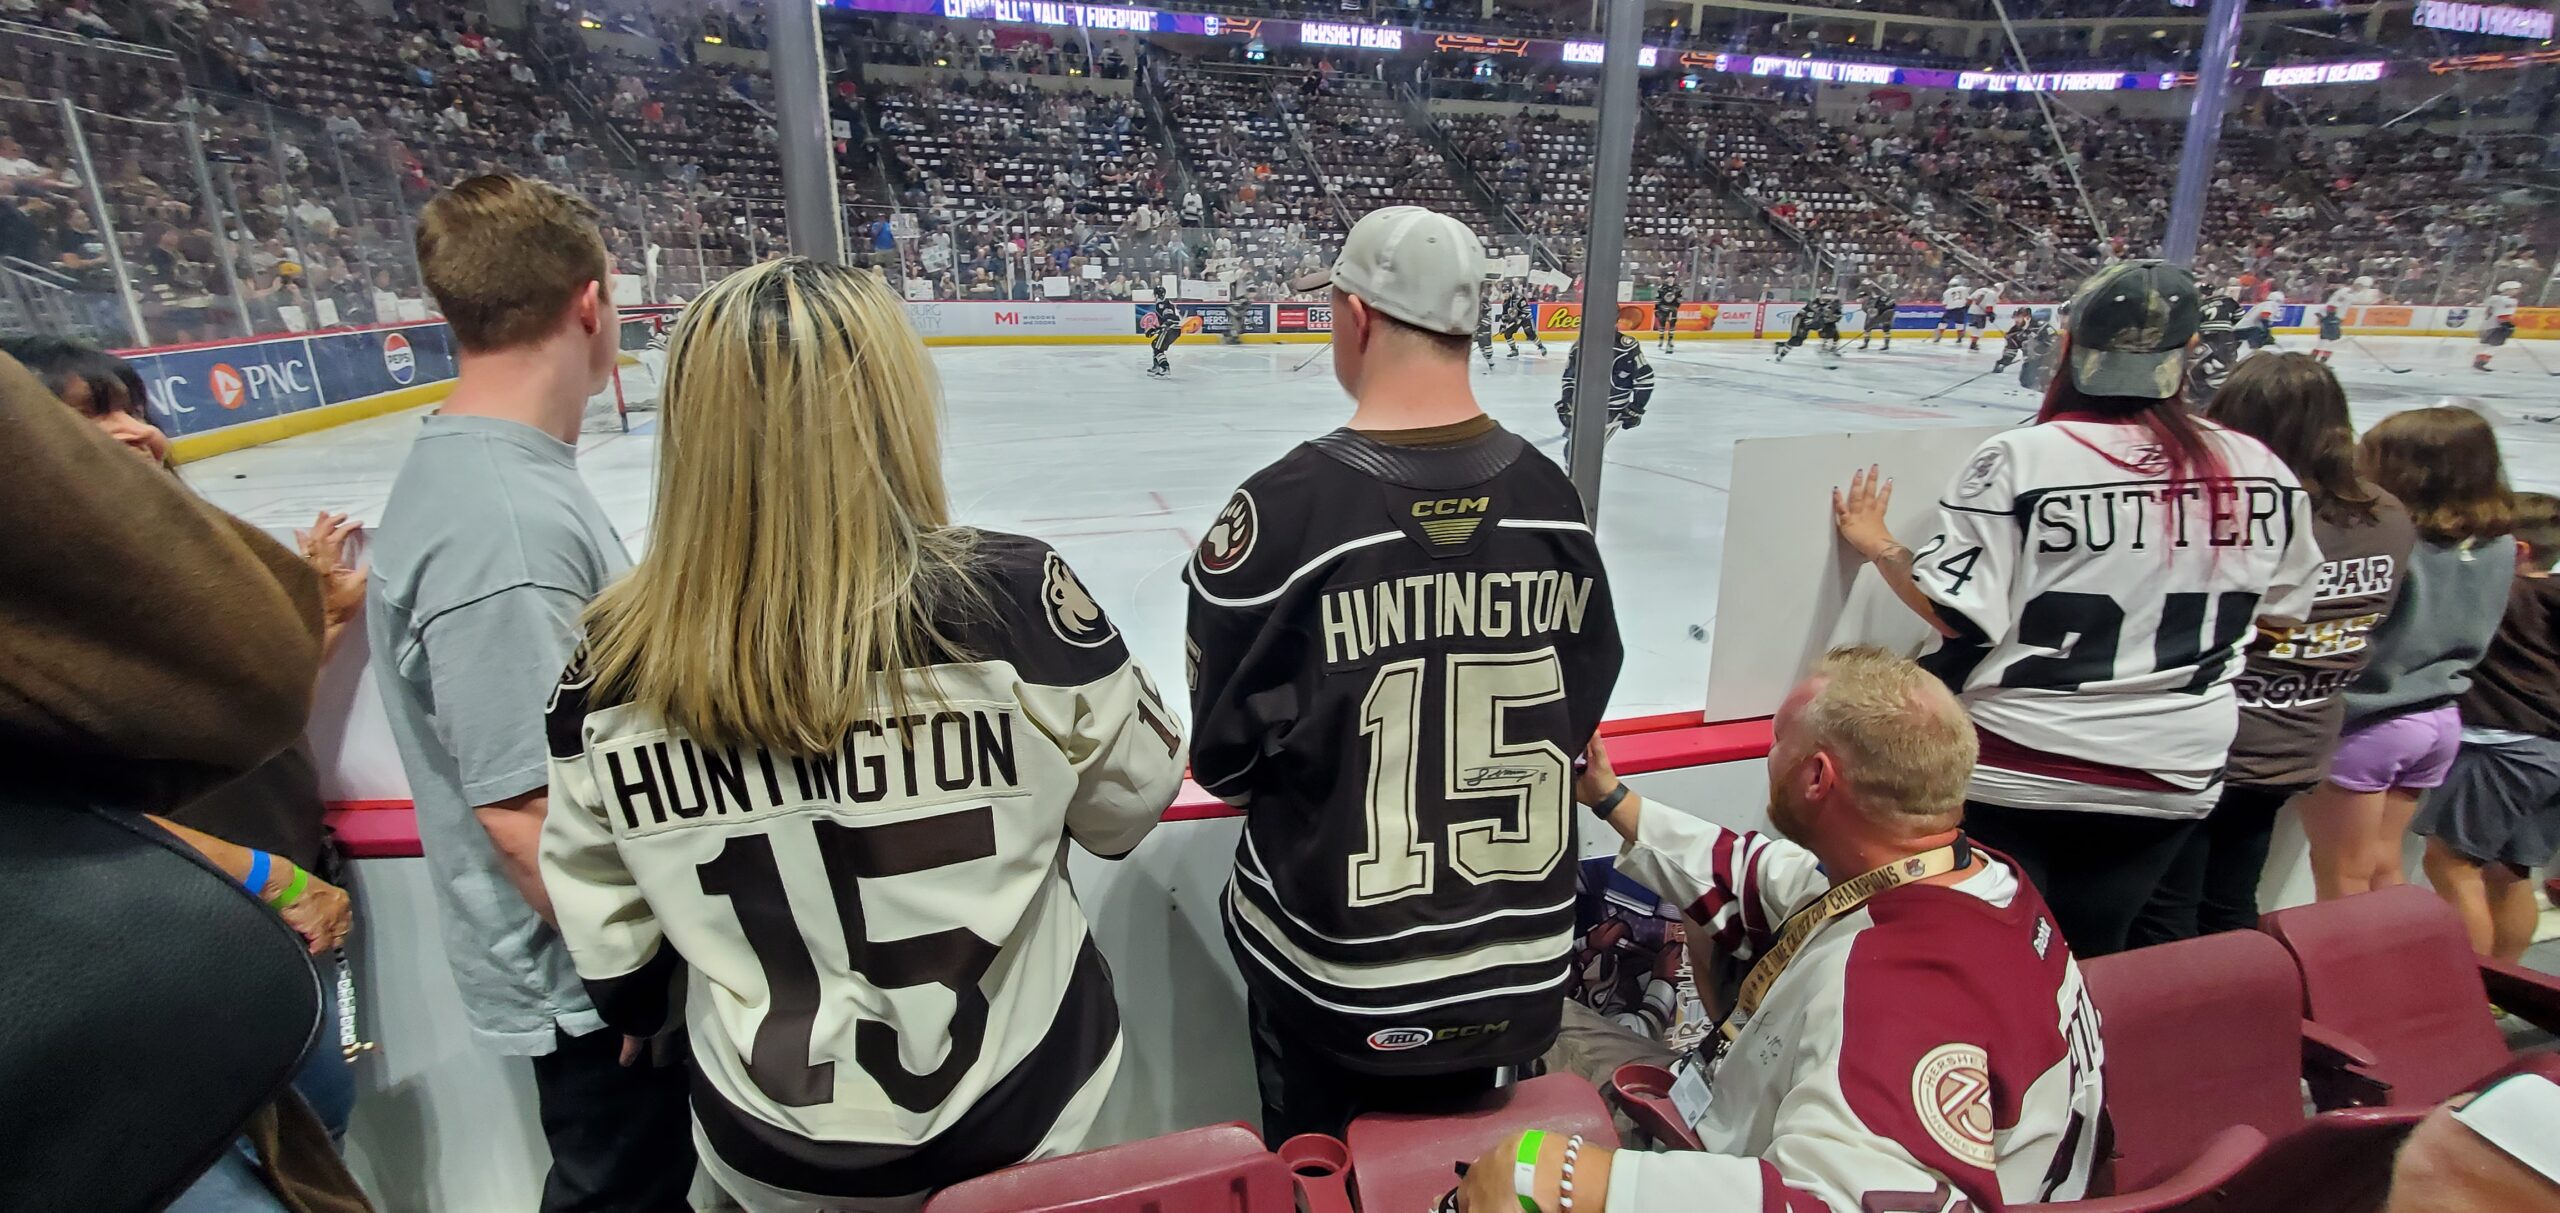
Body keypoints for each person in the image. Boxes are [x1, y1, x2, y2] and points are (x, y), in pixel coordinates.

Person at [540, 259, 1186, 1211]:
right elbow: (1129, 805)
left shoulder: (607, 663)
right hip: (1022, 1119)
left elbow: (612, 942)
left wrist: (642, 1001)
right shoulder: (1015, 602)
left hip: (771, 1144)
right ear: (894, 407)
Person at [1190, 205, 1623, 1143]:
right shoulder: (1555, 502)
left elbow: (1224, 764)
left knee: (1327, 1177)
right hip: (1517, 973)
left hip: (1338, 975)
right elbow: (1580, 701)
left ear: (1355, 317)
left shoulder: (1279, 517)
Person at [1459, 648, 2103, 1212]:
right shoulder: (1972, 878)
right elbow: (1763, 874)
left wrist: (1587, 1183)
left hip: (1741, 1160)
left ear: (1817, 776)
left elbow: (1850, 1203)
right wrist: (1609, 798)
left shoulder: (1899, 996)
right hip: (1742, 1122)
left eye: (1777, 744)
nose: (1770, 756)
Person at [365, 174, 697, 1211]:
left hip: (595, 976)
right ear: (591, 303)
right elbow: (525, 807)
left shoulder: (497, 476)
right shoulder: (501, 525)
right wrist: (634, 976)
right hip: (597, 995)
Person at [1832, 260, 2322, 957]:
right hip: (2174, 770)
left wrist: (1881, 545)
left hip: (2022, 764)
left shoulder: (2023, 458)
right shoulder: (2258, 468)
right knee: (2095, 954)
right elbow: (2281, 611)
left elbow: (1959, 616)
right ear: (2188, 356)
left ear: (2069, 349)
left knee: (1985, 957)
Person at [2131, 354, 2414, 944]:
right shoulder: (2385, 513)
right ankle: (2233, 1016)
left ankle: (2180, 1024)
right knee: (2231, 893)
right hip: (2300, 732)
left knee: (2166, 906)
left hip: (2218, 733)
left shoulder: (2247, 510)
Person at [2299, 406, 2516, 903]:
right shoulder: (2498, 543)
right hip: (2438, 718)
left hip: (2372, 721)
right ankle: (2392, 976)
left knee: (2343, 877)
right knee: (2382, 867)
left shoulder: (2399, 544)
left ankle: (2348, 980)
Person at [2412, 492, 2560, 961]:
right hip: (2547, 752)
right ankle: (2503, 987)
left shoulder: (2504, 597)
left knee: (2452, 866)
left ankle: (2466, 991)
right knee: (2511, 873)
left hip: (2499, 748)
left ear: (2518, 550)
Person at [1556, 327, 1654, 450]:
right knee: (1575, 452)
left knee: (1580, 451)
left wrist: (1636, 408)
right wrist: (1567, 401)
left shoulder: (1625, 348)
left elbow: (1645, 379)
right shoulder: (1579, 346)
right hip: (1584, 408)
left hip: (1612, 409)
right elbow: (1570, 378)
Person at [1773, 286, 1842, 361]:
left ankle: (1828, 350)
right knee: (1796, 341)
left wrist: (1831, 316)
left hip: (1820, 323)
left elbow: (1835, 318)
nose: (1830, 298)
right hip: (1805, 323)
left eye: (1832, 296)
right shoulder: (1814, 304)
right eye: (1827, 295)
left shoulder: (1836, 304)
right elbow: (1800, 317)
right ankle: (1781, 353)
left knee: (1831, 332)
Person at [2476, 280, 2521, 372]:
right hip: (2498, 325)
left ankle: (2480, 361)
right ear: (2508, 289)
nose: (2517, 291)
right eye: (2515, 289)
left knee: (2489, 345)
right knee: (2494, 346)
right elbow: (2503, 314)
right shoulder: (2509, 301)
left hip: (2487, 324)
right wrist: (2507, 324)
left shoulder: (2494, 298)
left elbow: (2489, 309)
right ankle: (2481, 362)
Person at [1990, 307, 2047, 373]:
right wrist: (2002, 363)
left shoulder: (2041, 327)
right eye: (2015, 317)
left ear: (2027, 317)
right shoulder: (2014, 333)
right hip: (2032, 365)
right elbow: (2010, 351)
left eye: (2019, 317)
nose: (2016, 320)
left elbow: (2055, 342)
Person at [1501, 286, 1548, 357]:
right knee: (1507, 333)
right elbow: (1505, 314)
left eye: (1506, 292)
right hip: (1515, 319)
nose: (1505, 295)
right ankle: (1514, 350)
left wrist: (1520, 318)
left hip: (1525, 318)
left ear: (1510, 292)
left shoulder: (1519, 298)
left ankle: (1541, 347)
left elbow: (1527, 310)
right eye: (1503, 293)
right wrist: (1503, 325)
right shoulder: (1505, 303)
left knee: (1529, 332)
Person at [1858, 277, 1897, 350]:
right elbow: (1867, 309)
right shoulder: (1870, 299)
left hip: (1886, 313)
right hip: (1876, 313)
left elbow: (1891, 304)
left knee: (1886, 327)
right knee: (1868, 327)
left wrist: (1882, 307)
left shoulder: (1883, 297)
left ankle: (1886, 345)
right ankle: (1866, 343)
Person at [1146, 297, 1181, 377]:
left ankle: (1165, 368)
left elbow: (1169, 319)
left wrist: (1159, 328)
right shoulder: (1167, 304)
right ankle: (1157, 367)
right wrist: (1156, 329)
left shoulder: (1162, 304)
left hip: (1169, 329)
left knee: (1157, 348)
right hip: (1173, 329)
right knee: (1155, 344)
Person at [1964, 279, 2002, 351]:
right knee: (1979, 329)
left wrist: (1966, 308)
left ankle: (1973, 342)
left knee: (1975, 328)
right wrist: (1990, 314)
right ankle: (1973, 344)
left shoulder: (1981, 289)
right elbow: (1989, 306)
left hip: (1971, 311)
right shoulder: (1993, 294)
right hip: (1980, 313)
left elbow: (1969, 300)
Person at [1933, 275, 1968, 343]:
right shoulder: (1964, 289)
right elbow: (1967, 298)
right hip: (1960, 309)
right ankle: (1959, 338)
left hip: (1950, 310)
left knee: (1943, 323)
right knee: (1959, 324)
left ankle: (1938, 337)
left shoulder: (1947, 292)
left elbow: (1945, 303)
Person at [1651, 277, 1681, 352]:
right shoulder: (1662, 287)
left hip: (1672, 308)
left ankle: (1670, 340)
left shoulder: (1678, 288)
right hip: (1662, 308)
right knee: (1662, 324)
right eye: (1668, 277)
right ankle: (1661, 339)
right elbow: (1658, 298)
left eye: (1672, 277)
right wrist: (1656, 308)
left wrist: (1676, 307)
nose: (1670, 278)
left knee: (1672, 324)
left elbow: (1679, 299)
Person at [1473, 292, 1497, 369]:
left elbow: (1488, 312)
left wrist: (1482, 322)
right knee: (1481, 345)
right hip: (1478, 324)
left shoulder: (1484, 299)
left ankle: (1490, 361)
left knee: (1486, 344)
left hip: (1485, 324)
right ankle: (1489, 361)